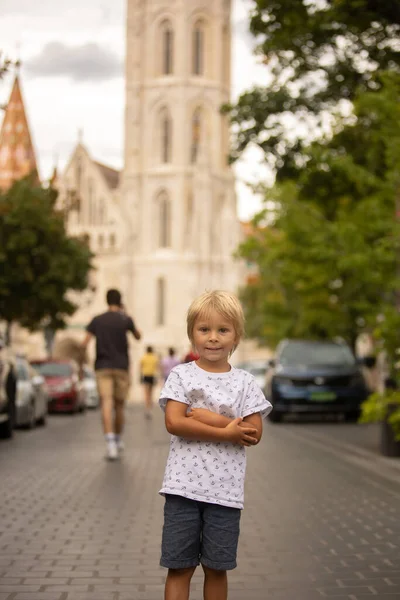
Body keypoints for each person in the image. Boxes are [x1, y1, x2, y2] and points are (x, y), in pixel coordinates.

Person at [158, 290, 272, 600]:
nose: (213, 338)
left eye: (223, 330)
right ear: (192, 334)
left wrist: (209, 418)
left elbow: (253, 433)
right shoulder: (181, 376)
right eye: (204, 329)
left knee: (216, 568)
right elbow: (175, 422)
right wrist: (227, 429)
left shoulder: (245, 383)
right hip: (182, 490)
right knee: (179, 567)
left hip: (225, 493)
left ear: (236, 337)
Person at [81, 288, 141, 460]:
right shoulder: (125, 319)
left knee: (106, 403)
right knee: (120, 405)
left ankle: (110, 444)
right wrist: (127, 314)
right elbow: (138, 336)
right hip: (121, 367)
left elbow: (84, 343)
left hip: (102, 366)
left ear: (106, 301)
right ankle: (118, 438)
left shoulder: (97, 320)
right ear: (120, 300)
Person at [140, 345, 159, 418]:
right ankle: (150, 409)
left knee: (146, 393)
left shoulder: (144, 357)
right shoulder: (154, 358)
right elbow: (157, 367)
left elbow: (140, 366)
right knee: (151, 393)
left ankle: (147, 408)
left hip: (146, 376)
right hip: (152, 376)